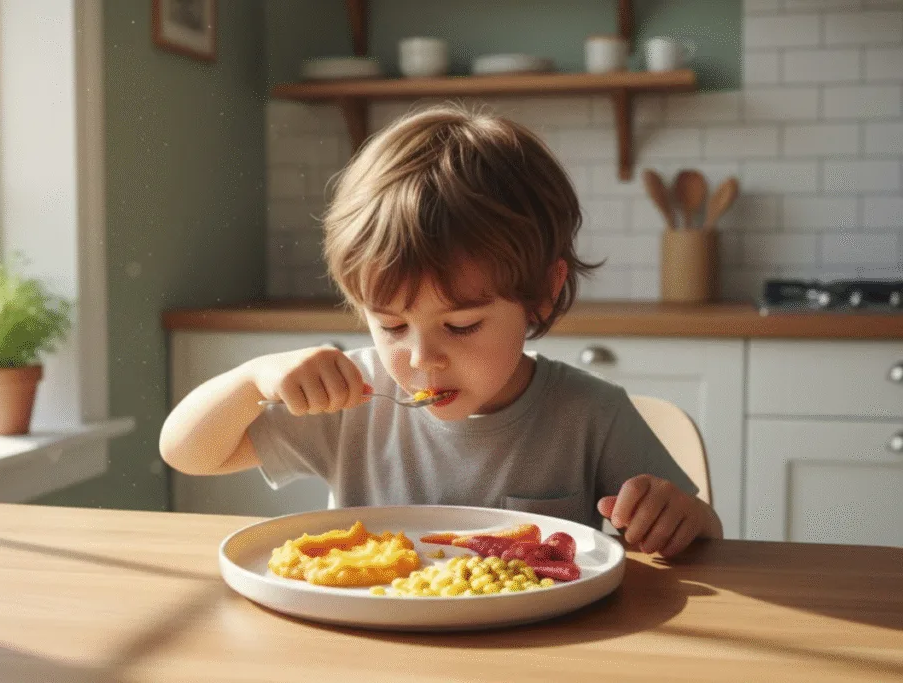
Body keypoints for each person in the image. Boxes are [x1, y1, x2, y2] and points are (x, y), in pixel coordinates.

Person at [160, 103, 723, 557]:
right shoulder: (353, 397)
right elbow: (188, 453)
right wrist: (253, 379)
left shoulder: (592, 416)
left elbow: (706, 537)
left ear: (542, 295)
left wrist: (680, 518)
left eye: (461, 325)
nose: (422, 359)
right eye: (391, 325)